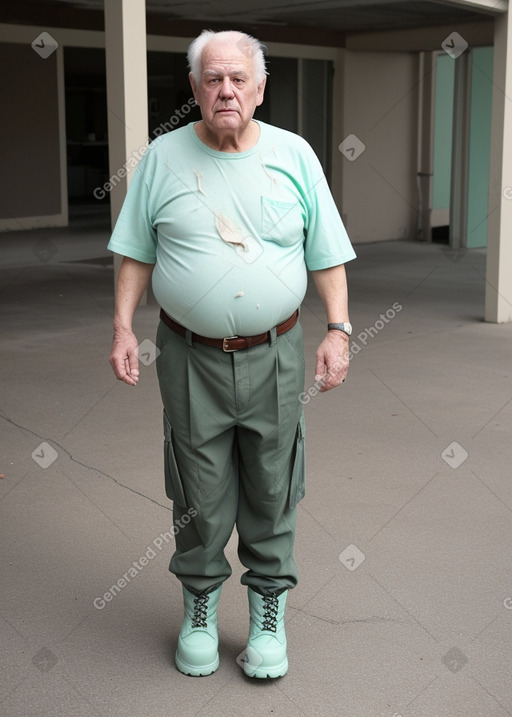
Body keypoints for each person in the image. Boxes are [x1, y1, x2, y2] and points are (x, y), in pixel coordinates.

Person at [108, 29, 356, 679]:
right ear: (193, 89)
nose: (226, 90)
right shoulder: (161, 158)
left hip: (275, 354)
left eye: (238, 79)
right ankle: (199, 608)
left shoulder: (294, 155)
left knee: (273, 485)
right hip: (188, 357)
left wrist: (338, 329)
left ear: (260, 88)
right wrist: (121, 326)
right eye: (213, 79)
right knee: (198, 487)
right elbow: (135, 251)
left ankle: (268, 616)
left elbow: (326, 254)